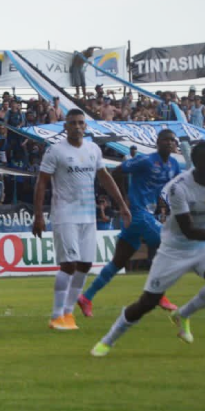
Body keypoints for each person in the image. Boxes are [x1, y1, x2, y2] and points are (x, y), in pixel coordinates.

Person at [91, 142, 205, 357]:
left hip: (204, 245)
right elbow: (188, 230)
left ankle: (183, 314)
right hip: (174, 248)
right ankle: (108, 340)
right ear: (200, 164)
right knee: (147, 303)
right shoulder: (179, 187)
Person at [32, 109, 131, 331]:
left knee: (85, 265)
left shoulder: (93, 149)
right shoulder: (55, 151)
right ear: (65, 127)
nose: (77, 126)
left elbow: (104, 177)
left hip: (88, 215)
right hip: (65, 214)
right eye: (73, 123)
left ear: (85, 126)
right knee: (69, 264)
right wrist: (39, 215)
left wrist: (122, 205)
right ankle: (56, 315)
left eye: (80, 123)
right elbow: (42, 182)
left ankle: (68, 313)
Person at [78, 130, 181, 316]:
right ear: (157, 142)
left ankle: (87, 297)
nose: (170, 143)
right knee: (164, 243)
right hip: (138, 212)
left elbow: (171, 189)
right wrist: (124, 198)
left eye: (173, 140)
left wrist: (165, 208)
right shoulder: (146, 160)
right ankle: (158, 295)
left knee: (118, 262)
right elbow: (117, 171)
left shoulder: (174, 165)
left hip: (147, 214)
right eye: (166, 140)